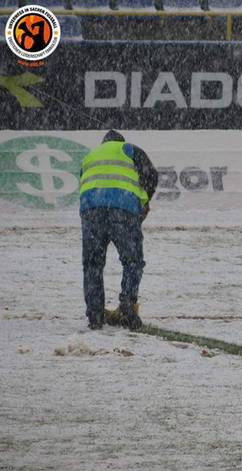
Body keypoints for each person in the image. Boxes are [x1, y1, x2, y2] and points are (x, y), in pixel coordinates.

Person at [80, 130, 158, 331]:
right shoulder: (129, 149)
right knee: (132, 261)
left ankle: (95, 316)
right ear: (119, 141)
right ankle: (128, 307)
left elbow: (84, 183)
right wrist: (144, 202)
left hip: (91, 212)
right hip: (123, 210)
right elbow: (151, 175)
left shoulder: (90, 155)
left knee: (92, 265)